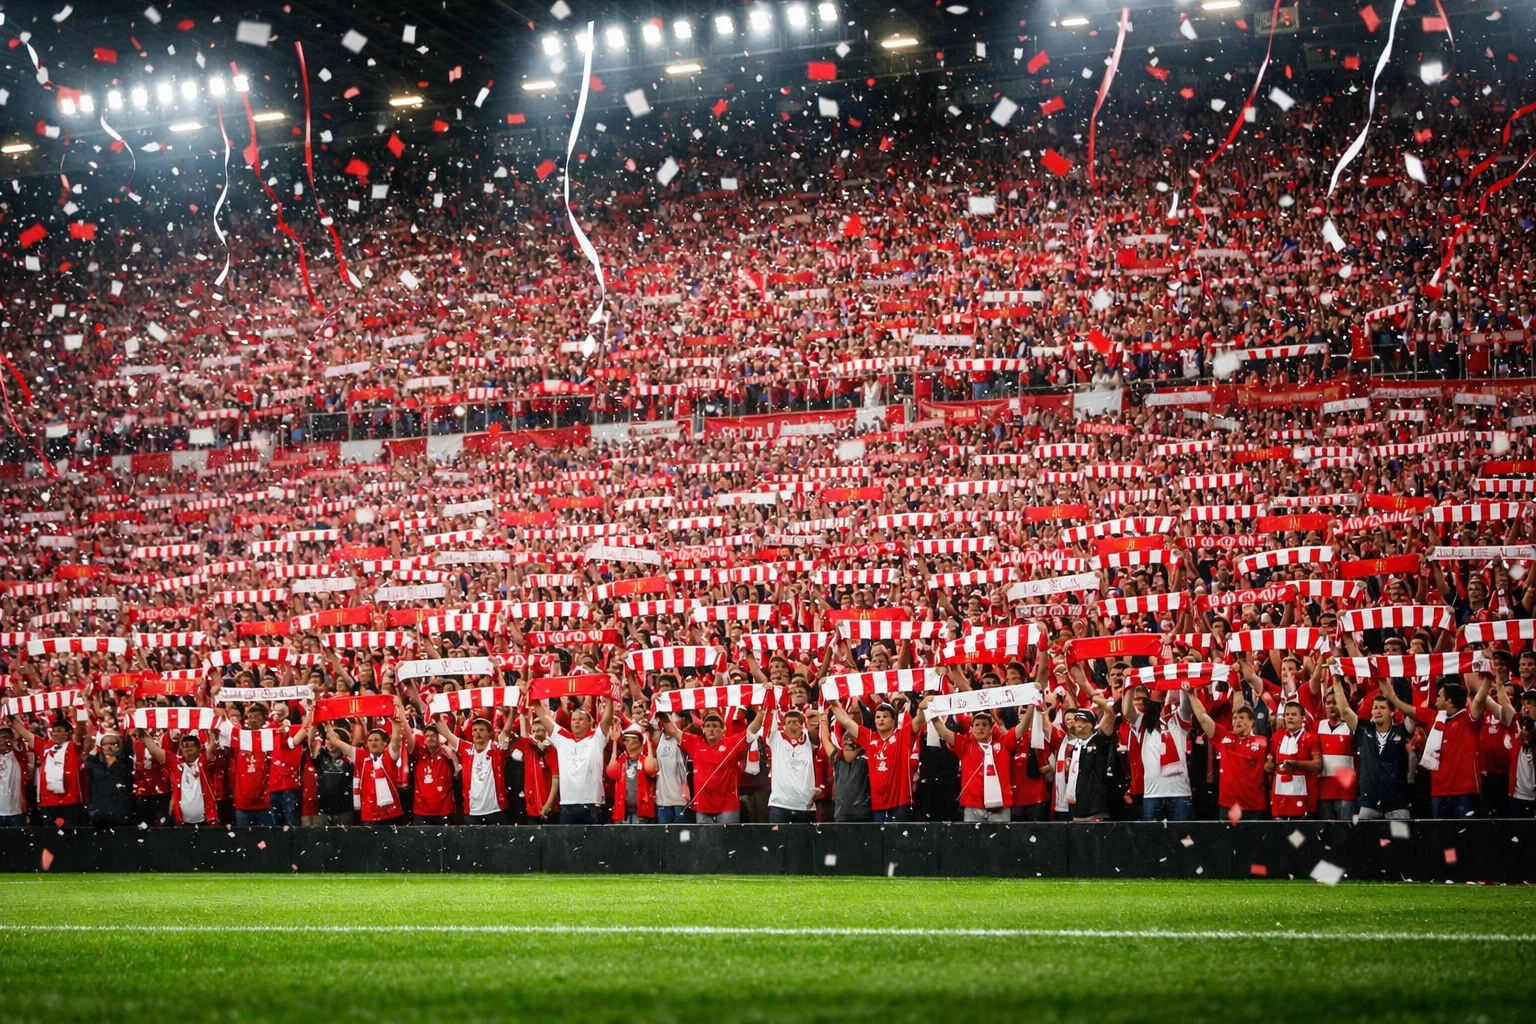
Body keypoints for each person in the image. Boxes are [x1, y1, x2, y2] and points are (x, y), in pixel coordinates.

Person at [1383, 674, 1491, 819]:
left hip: (1466, 792)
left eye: (1440, 696)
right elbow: (1403, 706)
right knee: (1441, 839)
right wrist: (1388, 691)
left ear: (1449, 701)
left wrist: (1488, 679)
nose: (1436, 699)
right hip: (1439, 792)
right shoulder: (1431, 717)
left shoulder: (1468, 718)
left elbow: (1478, 699)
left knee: (1468, 838)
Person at [829, 698, 924, 822]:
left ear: (893, 720)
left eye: (885, 716)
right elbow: (845, 721)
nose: (881, 719)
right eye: (878, 717)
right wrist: (833, 702)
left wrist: (922, 708)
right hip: (878, 807)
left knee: (901, 841)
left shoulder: (903, 736)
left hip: (901, 804)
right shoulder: (868, 738)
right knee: (881, 841)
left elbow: (919, 720)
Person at [1333, 676, 1414, 821]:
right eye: (1375, 708)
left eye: (1382, 708)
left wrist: (1393, 698)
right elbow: (1345, 711)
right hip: (1369, 804)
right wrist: (1335, 680)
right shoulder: (1364, 729)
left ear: (1392, 711)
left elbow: (1415, 713)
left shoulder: (1402, 730)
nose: (1377, 711)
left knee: (1401, 844)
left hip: (1398, 804)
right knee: (1367, 844)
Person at [661, 707, 760, 824]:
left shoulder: (732, 743)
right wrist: (660, 710)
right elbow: (672, 730)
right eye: (707, 726)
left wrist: (763, 709)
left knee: (726, 841)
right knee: (706, 842)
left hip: (728, 807)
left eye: (715, 726)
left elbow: (753, 729)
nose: (711, 729)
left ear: (723, 730)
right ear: (703, 729)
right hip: (702, 808)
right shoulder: (695, 743)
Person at [1189, 685, 1270, 821]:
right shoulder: (1224, 738)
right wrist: (1192, 695)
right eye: (1235, 718)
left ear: (1252, 723)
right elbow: (1203, 718)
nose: (1237, 720)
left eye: (1242, 717)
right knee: (1228, 843)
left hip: (1254, 807)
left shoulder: (1263, 742)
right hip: (1228, 807)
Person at [926, 702, 1015, 823]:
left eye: (985, 725)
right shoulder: (964, 745)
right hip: (973, 806)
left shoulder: (1003, 743)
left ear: (991, 729)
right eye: (977, 725)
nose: (981, 727)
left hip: (1000, 805)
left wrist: (1031, 709)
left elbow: (1022, 729)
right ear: (971, 729)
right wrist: (932, 711)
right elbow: (943, 732)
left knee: (1000, 841)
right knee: (973, 842)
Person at [324, 701, 408, 827]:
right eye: (370, 740)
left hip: (391, 814)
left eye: (376, 740)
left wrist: (395, 725)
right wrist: (328, 724)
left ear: (384, 744)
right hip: (370, 815)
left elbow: (396, 740)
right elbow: (336, 741)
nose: (373, 742)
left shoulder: (389, 756)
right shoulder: (361, 756)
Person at [533, 696, 613, 824]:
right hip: (567, 803)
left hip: (593, 802)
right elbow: (544, 717)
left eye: (581, 719)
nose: (576, 722)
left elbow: (607, 720)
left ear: (589, 723)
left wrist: (610, 698)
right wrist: (534, 699)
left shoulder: (597, 738)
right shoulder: (562, 739)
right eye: (574, 719)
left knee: (594, 843)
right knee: (568, 843)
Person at [439, 709, 517, 825]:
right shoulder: (466, 749)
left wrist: (513, 712)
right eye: (474, 730)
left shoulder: (496, 748)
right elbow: (447, 734)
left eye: (481, 730)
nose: (477, 733)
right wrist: (435, 715)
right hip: (472, 812)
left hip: (496, 810)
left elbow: (506, 731)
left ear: (490, 733)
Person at [1049, 697, 1118, 822]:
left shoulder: (1098, 740)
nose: (1078, 724)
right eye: (1076, 720)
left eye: (1083, 721)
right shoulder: (1075, 747)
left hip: (1095, 808)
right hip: (1077, 807)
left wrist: (1094, 697)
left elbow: (1110, 712)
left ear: (1092, 725)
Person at [9, 714, 86, 826]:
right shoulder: (44, 746)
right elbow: (25, 733)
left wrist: (80, 709)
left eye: (59, 730)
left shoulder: (74, 747)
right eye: (53, 731)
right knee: (51, 838)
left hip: (70, 802)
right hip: (48, 803)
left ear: (68, 733)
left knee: (70, 838)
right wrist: (10, 714)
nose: (55, 733)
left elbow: (80, 730)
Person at [747, 706, 819, 824]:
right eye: (789, 722)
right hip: (779, 804)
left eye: (795, 722)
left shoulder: (809, 739)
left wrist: (816, 719)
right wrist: (766, 705)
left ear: (802, 725)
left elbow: (816, 733)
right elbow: (753, 731)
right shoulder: (776, 738)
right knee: (777, 842)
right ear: (783, 726)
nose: (792, 725)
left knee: (804, 842)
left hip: (805, 805)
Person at [1133, 690, 1196, 822]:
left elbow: (1186, 705)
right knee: (1153, 840)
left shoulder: (1178, 721)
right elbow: (1127, 711)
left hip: (1180, 793)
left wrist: (1183, 685)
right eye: (1159, 706)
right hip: (1152, 794)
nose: (1163, 709)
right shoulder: (1144, 726)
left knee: (1184, 839)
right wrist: (1128, 687)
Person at [1265, 700, 1323, 819]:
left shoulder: (1310, 738)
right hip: (1280, 797)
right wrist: (1268, 765)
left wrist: (1296, 764)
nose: (1289, 717)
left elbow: (1317, 764)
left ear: (1303, 718)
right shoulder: (1276, 737)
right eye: (1287, 714)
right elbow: (1269, 762)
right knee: (1281, 835)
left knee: (1299, 835)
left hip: (1302, 798)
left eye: (1294, 714)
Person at [228, 703, 275, 827]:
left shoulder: (270, 739)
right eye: (250, 716)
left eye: (257, 716)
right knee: (244, 843)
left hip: (264, 803)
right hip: (242, 804)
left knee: (265, 842)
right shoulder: (239, 739)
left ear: (264, 719)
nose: (253, 719)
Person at [821, 709, 871, 822]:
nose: (847, 746)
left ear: (860, 747)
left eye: (851, 744)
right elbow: (825, 740)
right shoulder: (838, 760)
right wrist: (823, 723)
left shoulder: (865, 761)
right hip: (841, 815)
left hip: (862, 815)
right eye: (845, 743)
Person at [605, 722, 659, 823]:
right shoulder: (621, 760)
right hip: (622, 811)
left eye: (631, 739)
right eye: (626, 739)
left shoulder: (644, 759)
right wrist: (615, 743)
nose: (627, 742)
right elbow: (611, 772)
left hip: (642, 811)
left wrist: (648, 740)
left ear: (639, 741)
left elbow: (652, 769)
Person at [511, 711, 559, 823]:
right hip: (531, 809)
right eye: (533, 731)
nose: (536, 734)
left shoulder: (552, 750)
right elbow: (508, 736)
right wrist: (521, 715)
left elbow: (556, 780)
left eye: (540, 730)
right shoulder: (529, 748)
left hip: (549, 809)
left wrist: (548, 805)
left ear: (547, 732)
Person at [409, 717, 459, 825]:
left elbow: (456, 772)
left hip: (445, 810)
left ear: (439, 737)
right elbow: (408, 740)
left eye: (433, 735)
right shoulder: (419, 755)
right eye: (427, 735)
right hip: (421, 811)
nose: (430, 738)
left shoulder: (447, 753)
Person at [84, 732, 135, 827]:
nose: (109, 747)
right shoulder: (95, 765)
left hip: (120, 814)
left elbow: (128, 749)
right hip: (98, 814)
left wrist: (126, 733)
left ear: (119, 746)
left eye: (113, 744)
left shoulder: (125, 764)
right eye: (106, 744)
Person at [651, 710, 690, 824]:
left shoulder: (683, 738)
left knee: (681, 837)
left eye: (674, 721)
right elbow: (649, 727)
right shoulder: (659, 737)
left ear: (682, 723)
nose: (669, 725)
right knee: (665, 838)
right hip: (663, 800)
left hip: (681, 800)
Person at [0, 727, 27, 826]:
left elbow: (19, 739)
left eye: (6, 737)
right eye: (0, 738)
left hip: (14, 810)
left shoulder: (18, 755)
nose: (3, 740)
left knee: (17, 840)